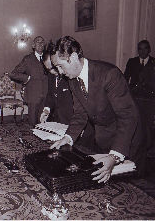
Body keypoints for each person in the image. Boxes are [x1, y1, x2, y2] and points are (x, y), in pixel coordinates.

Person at [49, 36, 144, 183]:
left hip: (127, 142)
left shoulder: (109, 74)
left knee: (131, 191)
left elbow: (128, 116)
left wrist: (115, 155)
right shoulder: (73, 80)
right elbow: (80, 113)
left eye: (61, 66)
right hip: (104, 140)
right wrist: (67, 138)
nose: (60, 72)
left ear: (73, 57)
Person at [10, 36, 48, 126]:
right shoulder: (28, 59)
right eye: (38, 42)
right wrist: (28, 78)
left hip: (47, 95)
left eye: (42, 42)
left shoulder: (48, 58)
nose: (40, 44)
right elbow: (14, 73)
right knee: (33, 122)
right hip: (33, 95)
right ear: (33, 45)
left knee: (44, 122)